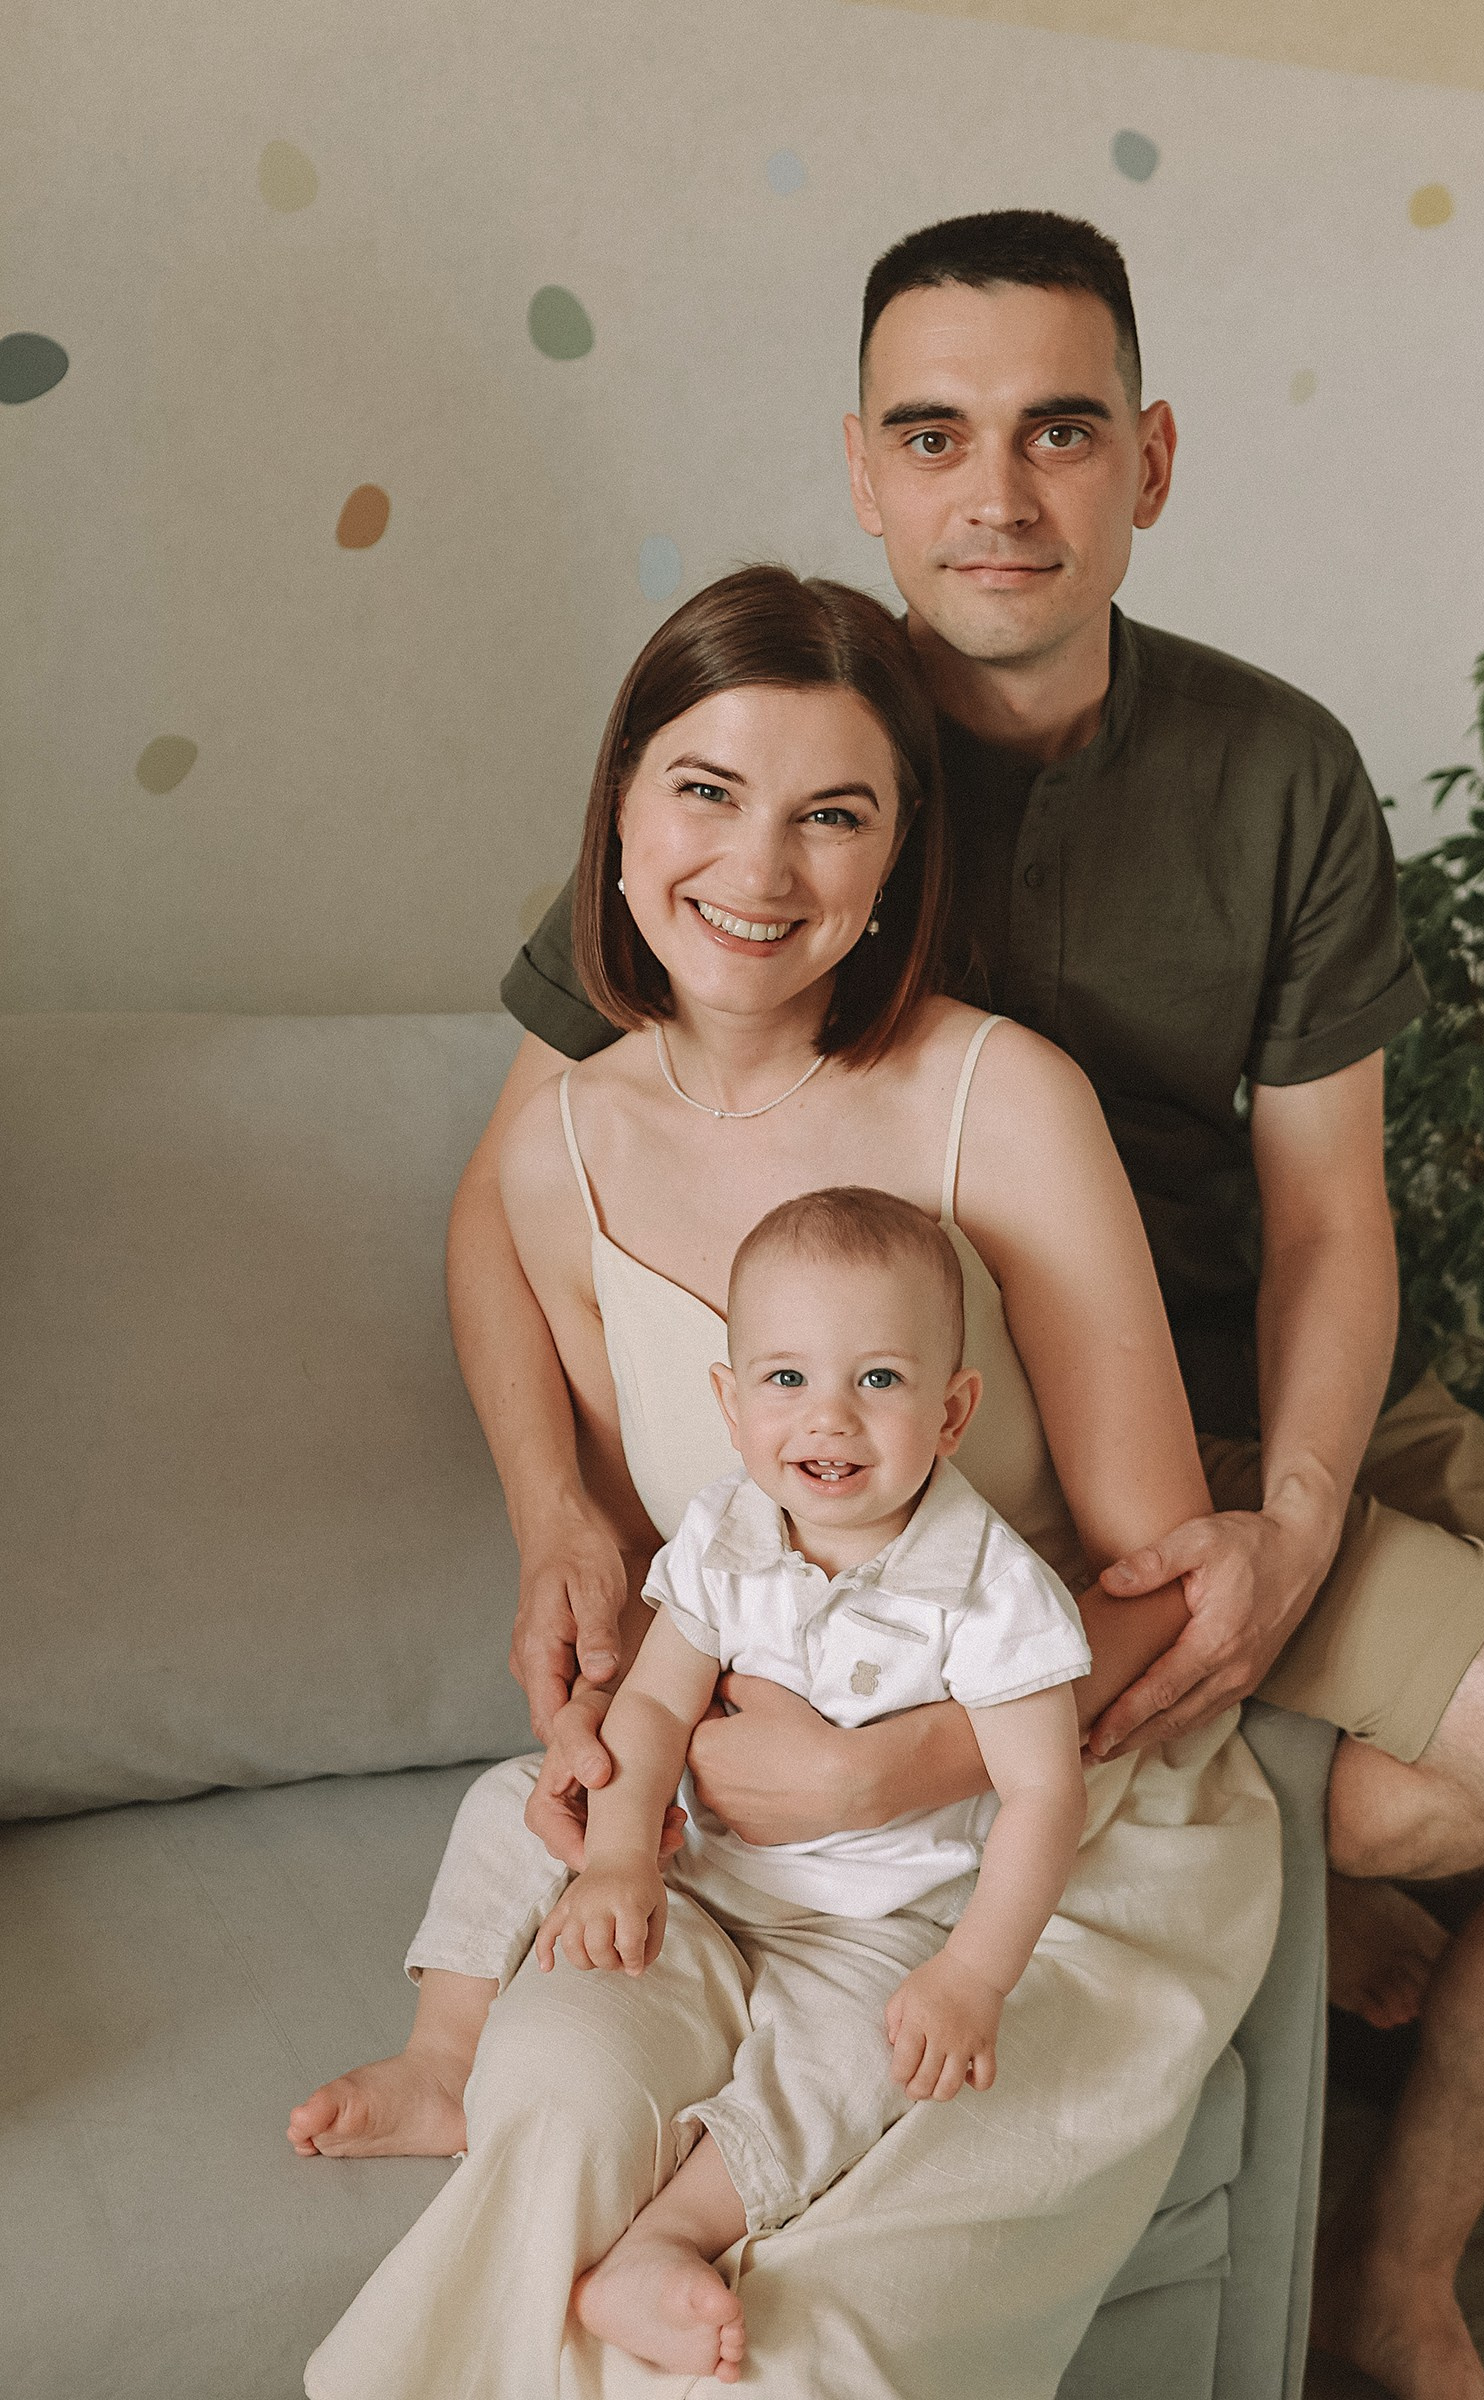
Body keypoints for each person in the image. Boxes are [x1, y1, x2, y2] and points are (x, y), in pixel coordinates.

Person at [437, 212, 1484, 2400]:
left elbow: (1329, 1217)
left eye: (1060, 432)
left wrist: (1291, 1516)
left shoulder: (1272, 770)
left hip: (1257, 1379)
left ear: (1146, 461)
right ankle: (1249, 1842)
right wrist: (560, 1518)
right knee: (1475, 1742)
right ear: (860, 468)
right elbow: (517, 1200)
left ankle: (1387, 2255)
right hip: (951, 1432)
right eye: (932, 435)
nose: (996, 493)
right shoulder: (779, 752)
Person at [297, 564, 1282, 2400]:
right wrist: (608, 1696)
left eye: (834, 814)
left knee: (795, 2339)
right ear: (618, 815)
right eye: (706, 791)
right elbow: (684, 1570)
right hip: (733, 1832)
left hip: (1048, 1821)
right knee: (557, 2106)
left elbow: (1167, 1585)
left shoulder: (1003, 1099)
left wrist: (899, 1765)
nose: (759, 867)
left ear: (900, 858)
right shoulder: (560, 1149)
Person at [538, 1188, 1091, 2384]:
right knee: (510, 1807)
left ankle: (673, 2234)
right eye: (784, 1378)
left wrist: (972, 1973)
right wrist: (623, 1853)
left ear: (951, 1412)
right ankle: (443, 2050)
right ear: (730, 1402)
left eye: (878, 1379)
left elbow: (1047, 1795)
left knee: (859, 2058)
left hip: (872, 1917)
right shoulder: (725, 1530)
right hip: (703, 1867)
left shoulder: (993, 1589)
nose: (828, 1415)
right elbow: (652, 1705)